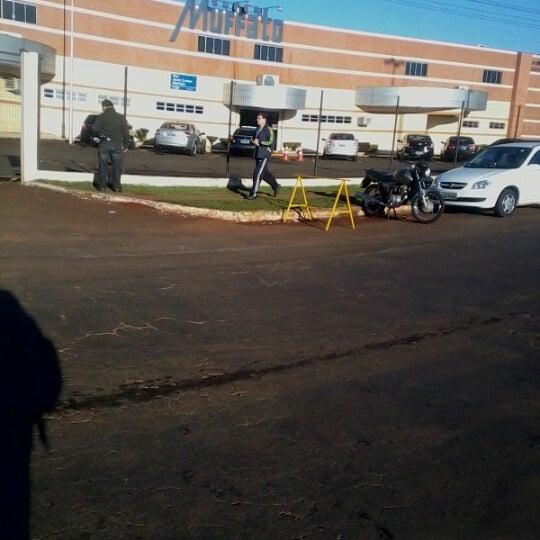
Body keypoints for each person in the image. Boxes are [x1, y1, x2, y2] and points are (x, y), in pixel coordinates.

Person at [92, 99, 131, 192]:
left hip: (104, 143)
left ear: (104, 106)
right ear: (112, 106)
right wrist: (126, 145)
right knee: (117, 167)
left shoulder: (102, 116)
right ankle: (117, 187)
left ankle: (102, 187)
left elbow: (94, 128)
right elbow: (126, 133)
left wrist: (102, 132)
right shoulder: (121, 117)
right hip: (117, 144)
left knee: (102, 166)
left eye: (102, 107)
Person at [246, 112, 281, 200]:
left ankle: (253, 193)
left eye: (259, 118)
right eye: (257, 118)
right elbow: (253, 139)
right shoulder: (257, 129)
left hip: (265, 155)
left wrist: (260, 143)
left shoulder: (269, 129)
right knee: (264, 174)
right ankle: (276, 186)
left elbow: (271, 142)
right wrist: (252, 141)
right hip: (258, 154)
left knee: (257, 173)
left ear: (264, 119)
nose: (257, 120)